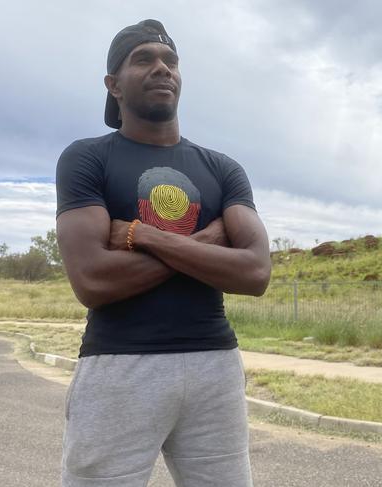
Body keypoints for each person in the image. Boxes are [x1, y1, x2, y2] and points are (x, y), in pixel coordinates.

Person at [55, 19, 270, 487]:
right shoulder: (88, 158)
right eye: (144, 59)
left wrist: (144, 236)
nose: (161, 69)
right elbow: (93, 281)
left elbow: (254, 272)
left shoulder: (222, 168)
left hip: (215, 363)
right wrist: (207, 245)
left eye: (170, 61)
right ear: (113, 84)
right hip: (119, 368)